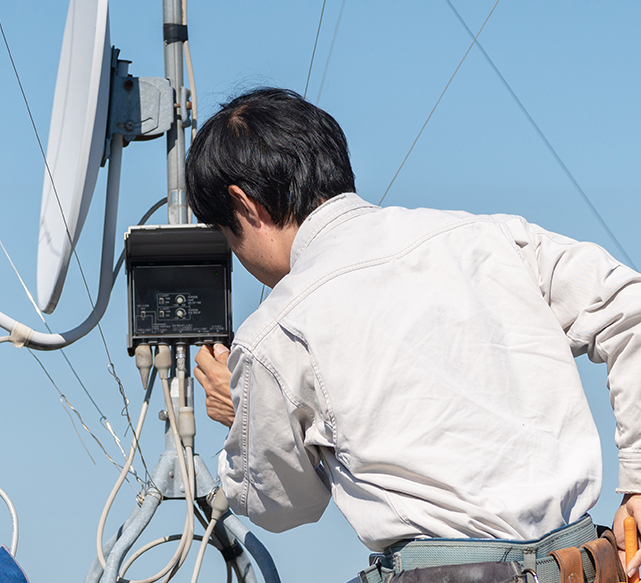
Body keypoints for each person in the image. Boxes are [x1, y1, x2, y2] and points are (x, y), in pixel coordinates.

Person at [186, 87, 641, 581]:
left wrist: (242, 417)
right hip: (586, 566)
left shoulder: (274, 333)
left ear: (245, 206)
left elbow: (282, 505)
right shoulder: (492, 237)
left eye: (228, 235)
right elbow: (629, 305)